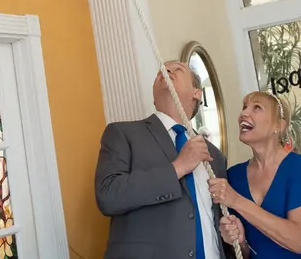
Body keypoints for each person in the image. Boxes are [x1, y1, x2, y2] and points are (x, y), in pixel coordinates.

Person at [95, 60, 234, 259]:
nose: (166, 70)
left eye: (177, 68)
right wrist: (178, 167)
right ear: (154, 98)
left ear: (197, 93)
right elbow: (107, 196)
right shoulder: (122, 133)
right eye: (162, 69)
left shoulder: (215, 156)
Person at [207, 91, 301, 258]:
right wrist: (239, 241)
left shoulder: (300, 168)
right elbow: (248, 254)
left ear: (279, 125)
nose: (243, 114)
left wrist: (237, 201)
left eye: (257, 108)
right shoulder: (234, 176)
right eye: (244, 107)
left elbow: (298, 241)